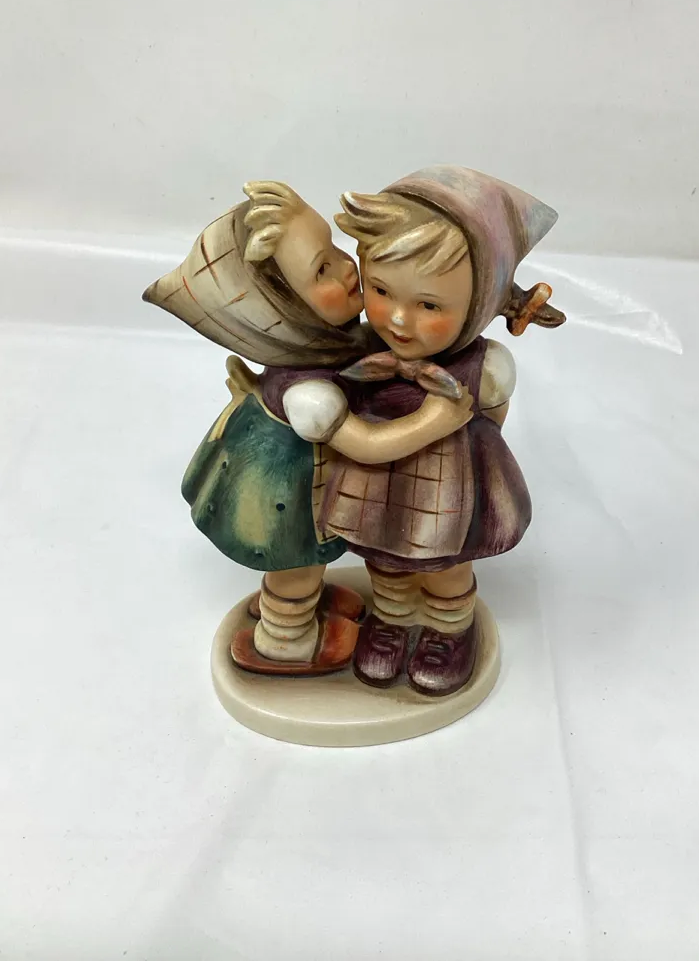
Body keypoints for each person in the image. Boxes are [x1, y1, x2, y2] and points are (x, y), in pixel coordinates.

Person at [144, 181, 471, 676]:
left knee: (301, 567)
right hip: (286, 493)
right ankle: (286, 638)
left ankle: (299, 608)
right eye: (322, 270)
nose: (346, 268)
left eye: (334, 251)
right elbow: (367, 446)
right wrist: (434, 421)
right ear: (281, 310)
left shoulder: (328, 341)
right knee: (295, 567)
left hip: (297, 477)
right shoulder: (310, 393)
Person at [317, 165, 565, 695]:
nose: (398, 320)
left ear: (480, 304)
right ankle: (391, 620)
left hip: (451, 490)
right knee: (383, 561)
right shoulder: (360, 351)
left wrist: (471, 455)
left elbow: (493, 415)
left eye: (428, 304)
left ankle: (448, 630)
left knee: (446, 568)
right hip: (374, 483)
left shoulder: (486, 367)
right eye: (381, 290)